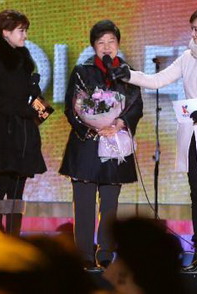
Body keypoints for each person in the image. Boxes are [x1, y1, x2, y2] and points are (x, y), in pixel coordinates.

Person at [114, 4, 197, 272]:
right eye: (192, 28)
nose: (193, 33)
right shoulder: (188, 56)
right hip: (191, 136)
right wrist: (130, 75)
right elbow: (158, 80)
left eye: (196, 29)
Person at [59, 20, 143, 269]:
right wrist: (93, 126)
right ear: (93, 46)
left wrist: (118, 123)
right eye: (101, 42)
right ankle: (84, 253)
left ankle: (106, 252)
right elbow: (71, 108)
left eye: (111, 42)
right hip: (87, 144)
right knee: (83, 203)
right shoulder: (82, 71)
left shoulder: (128, 74)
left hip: (114, 142)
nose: (106, 47)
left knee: (110, 203)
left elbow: (136, 107)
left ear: (118, 44)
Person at [0, 10, 47, 235]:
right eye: (21, 30)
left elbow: (29, 94)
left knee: (18, 190)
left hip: (24, 132)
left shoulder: (24, 61)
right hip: (2, 133)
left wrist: (41, 109)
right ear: (5, 32)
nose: (25, 35)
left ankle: (13, 238)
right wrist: (20, 108)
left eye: (25, 30)